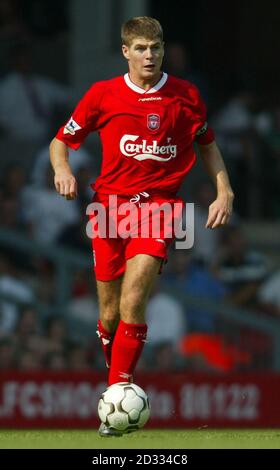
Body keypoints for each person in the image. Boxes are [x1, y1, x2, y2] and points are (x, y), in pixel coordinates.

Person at [49, 16, 234, 436]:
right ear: (125, 51)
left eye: (156, 48)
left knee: (134, 299)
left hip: (159, 209)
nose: (149, 55)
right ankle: (118, 375)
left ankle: (118, 390)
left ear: (163, 49)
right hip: (109, 210)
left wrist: (224, 190)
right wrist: (62, 170)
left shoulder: (185, 95)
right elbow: (61, 141)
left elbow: (208, 146)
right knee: (110, 313)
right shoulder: (103, 95)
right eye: (141, 48)